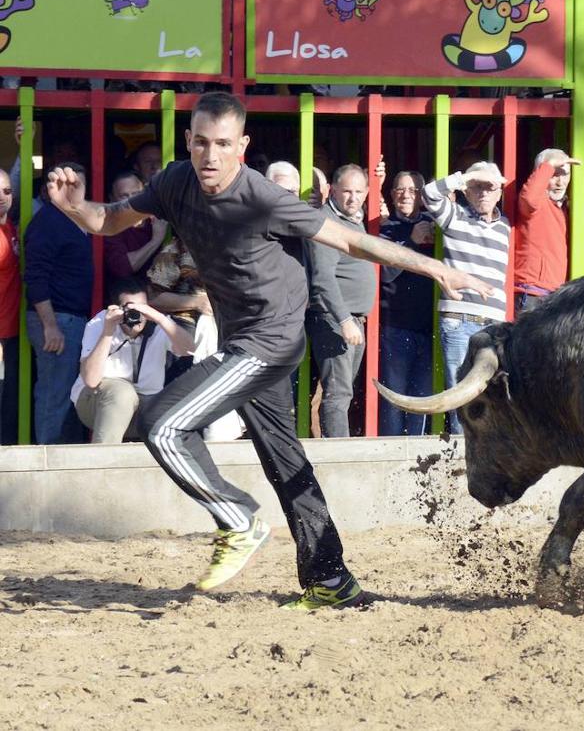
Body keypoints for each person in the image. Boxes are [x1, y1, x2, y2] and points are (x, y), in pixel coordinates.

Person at [44, 91, 491, 608]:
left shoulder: (261, 196)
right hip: (243, 338)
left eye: (224, 145)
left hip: (273, 338)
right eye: (202, 143)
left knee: (162, 424)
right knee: (284, 457)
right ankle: (331, 581)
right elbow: (108, 221)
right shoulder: (174, 181)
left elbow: (349, 241)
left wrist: (433, 267)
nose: (211, 156)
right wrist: (73, 205)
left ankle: (237, 518)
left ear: (242, 145)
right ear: (188, 140)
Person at [422, 160, 511, 435]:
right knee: (459, 391)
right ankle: (462, 454)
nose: (483, 193)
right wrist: (465, 176)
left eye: (489, 187)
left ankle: (487, 452)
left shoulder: (507, 226)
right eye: (476, 187)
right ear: (466, 191)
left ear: (499, 192)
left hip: (494, 325)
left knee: (494, 392)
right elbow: (428, 193)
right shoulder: (455, 217)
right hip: (458, 321)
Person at [72, 278, 193, 443]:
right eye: (130, 307)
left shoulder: (157, 323)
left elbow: (189, 349)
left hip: (145, 404)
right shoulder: (100, 323)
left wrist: (161, 319)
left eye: (142, 307)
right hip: (96, 402)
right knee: (122, 393)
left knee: (177, 399)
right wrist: (108, 331)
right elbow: (91, 380)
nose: (138, 315)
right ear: (116, 308)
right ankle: (103, 463)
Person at [25, 162, 94, 444]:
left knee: (67, 394)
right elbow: (35, 277)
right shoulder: (47, 223)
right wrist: (50, 326)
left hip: (72, 319)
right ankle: (46, 463)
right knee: (54, 395)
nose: (72, 190)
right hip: (57, 320)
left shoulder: (79, 218)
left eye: (77, 185)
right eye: (65, 185)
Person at [305, 163, 375, 438]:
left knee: (341, 390)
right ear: (332, 190)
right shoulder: (326, 223)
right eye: (346, 191)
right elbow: (322, 279)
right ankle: (338, 455)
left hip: (353, 319)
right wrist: (344, 319)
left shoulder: (354, 220)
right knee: (338, 392)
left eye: (359, 191)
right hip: (335, 319)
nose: (353, 197)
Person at [377, 168, 436, 436]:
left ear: (422, 196)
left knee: (423, 398)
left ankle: (418, 455)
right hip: (396, 325)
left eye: (412, 190)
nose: (406, 195)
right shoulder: (383, 228)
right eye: (400, 189)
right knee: (394, 396)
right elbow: (385, 272)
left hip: (429, 326)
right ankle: (391, 450)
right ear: (391, 194)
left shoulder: (434, 227)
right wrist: (411, 242)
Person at [514, 148, 578, 312]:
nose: (560, 182)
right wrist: (548, 165)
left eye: (565, 174)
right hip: (531, 293)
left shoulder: (564, 208)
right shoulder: (537, 204)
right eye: (554, 174)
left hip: (555, 295)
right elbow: (529, 198)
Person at [103, 171, 166, 286]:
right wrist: (156, 240)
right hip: (129, 293)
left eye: (137, 194)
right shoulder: (110, 227)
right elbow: (122, 268)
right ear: (112, 200)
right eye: (124, 196)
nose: (132, 201)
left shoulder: (158, 219)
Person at [0, 169, 17, 444]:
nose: (2, 197)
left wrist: (23, 146)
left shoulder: (10, 226)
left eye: (6, 191)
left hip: (12, 330)